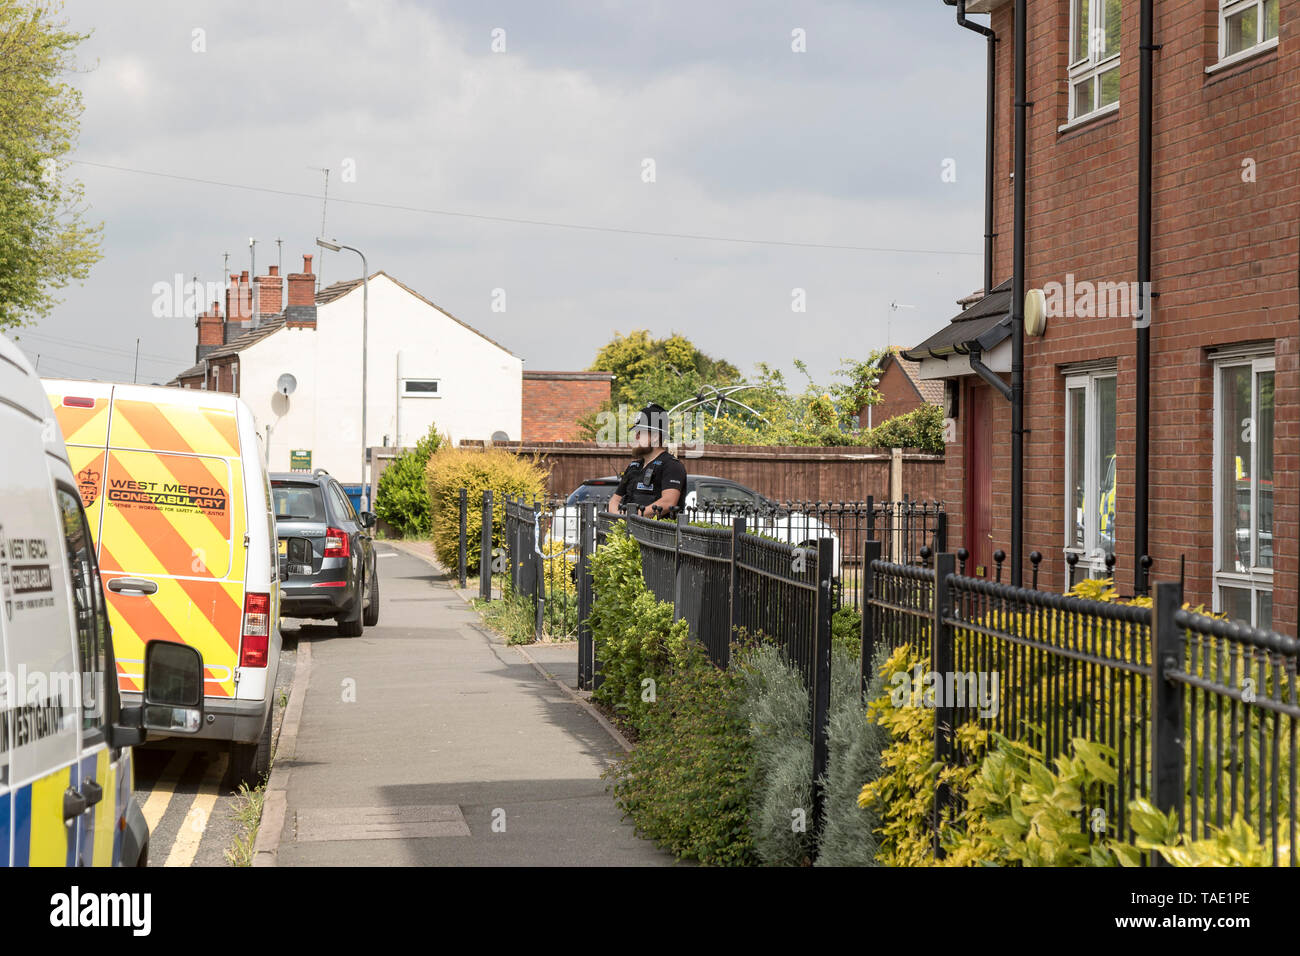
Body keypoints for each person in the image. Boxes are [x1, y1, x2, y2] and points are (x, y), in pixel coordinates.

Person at [608, 403, 687, 518]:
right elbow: (614, 500)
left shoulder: (671, 466)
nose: (636, 437)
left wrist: (631, 517)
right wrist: (619, 517)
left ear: (655, 436)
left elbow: (668, 502)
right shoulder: (633, 466)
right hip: (627, 532)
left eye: (640, 433)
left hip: (657, 535)